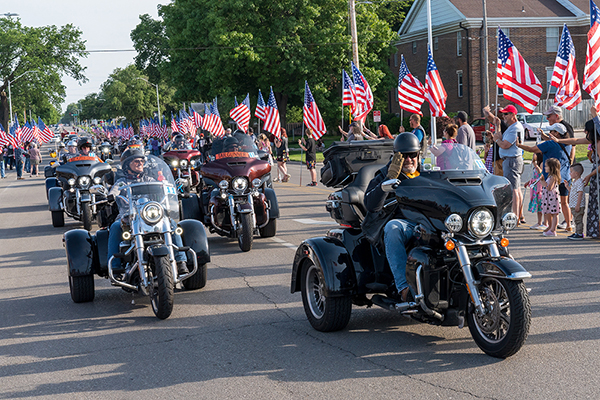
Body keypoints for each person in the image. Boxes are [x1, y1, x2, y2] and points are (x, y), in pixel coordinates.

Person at [107, 148, 188, 275]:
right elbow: (114, 191)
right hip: (128, 216)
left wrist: (172, 188)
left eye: (142, 161)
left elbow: (163, 186)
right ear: (127, 165)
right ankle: (115, 267)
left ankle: (181, 261)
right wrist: (111, 195)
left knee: (171, 223)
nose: (140, 163)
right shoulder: (122, 182)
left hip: (151, 216)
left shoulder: (149, 180)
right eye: (136, 161)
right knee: (115, 227)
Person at [364, 133, 422, 302]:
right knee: (393, 228)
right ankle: (404, 288)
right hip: (403, 224)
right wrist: (389, 180)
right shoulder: (384, 175)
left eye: (413, 155)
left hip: (428, 223)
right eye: (404, 155)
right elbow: (371, 205)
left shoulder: (425, 174)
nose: (409, 159)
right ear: (397, 156)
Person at [551, 110, 600, 239]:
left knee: (598, 205)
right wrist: (559, 140)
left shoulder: (599, 144)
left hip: (597, 176)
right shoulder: (593, 142)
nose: (585, 132)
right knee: (595, 205)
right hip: (595, 176)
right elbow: (576, 140)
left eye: (586, 130)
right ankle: (595, 231)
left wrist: (590, 175)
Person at [518, 123, 572, 232]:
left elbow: (532, 149)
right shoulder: (567, 143)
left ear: (557, 133)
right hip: (565, 176)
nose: (550, 133)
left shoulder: (549, 144)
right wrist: (544, 136)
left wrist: (519, 145)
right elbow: (555, 142)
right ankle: (568, 224)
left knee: (549, 205)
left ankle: (550, 227)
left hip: (551, 178)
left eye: (552, 131)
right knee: (564, 202)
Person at [493, 105, 524, 220]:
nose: (503, 116)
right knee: (517, 188)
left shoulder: (515, 128)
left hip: (512, 160)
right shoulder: (512, 127)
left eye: (506, 114)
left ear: (513, 115)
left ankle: (515, 216)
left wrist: (496, 140)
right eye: (503, 114)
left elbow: (505, 144)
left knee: (513, 189)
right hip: (511, 160)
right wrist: (498, 125)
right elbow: (500, 137)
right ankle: (519, 215)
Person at [540, 158, 561, 237]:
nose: (545, 168)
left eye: (546, 166)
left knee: (554, 213)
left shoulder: (553, 177)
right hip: (548, 198)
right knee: (548, 212)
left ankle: (553, 230)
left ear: (551, 168)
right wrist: (542, 181)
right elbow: (545, 186)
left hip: (552, 198)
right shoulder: (549, 176)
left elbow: (549, 188)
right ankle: (550, 226)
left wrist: (544, 183)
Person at [524, 153, 545, 230]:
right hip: (535, 188)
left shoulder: (542, 164)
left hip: (540, 188)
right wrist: (529, 182)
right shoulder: (536, 166)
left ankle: (545, 222)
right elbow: (535, 177)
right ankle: (539, 222)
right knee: (538, 207)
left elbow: (540, 174)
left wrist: (535, 164)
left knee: (542, 205)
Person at [566, 163, 586, 240]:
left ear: (576, 173)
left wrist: (578, 205)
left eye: (571, 172)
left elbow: (580, 194)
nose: (569, 173)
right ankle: (577, 232)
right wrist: (567, 187)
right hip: (573, 205)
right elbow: (573, 192)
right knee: (576, 219)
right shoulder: (575, 182)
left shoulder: (580, 182)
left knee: (578, 220)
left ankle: (580, 234)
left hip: (578, 205)